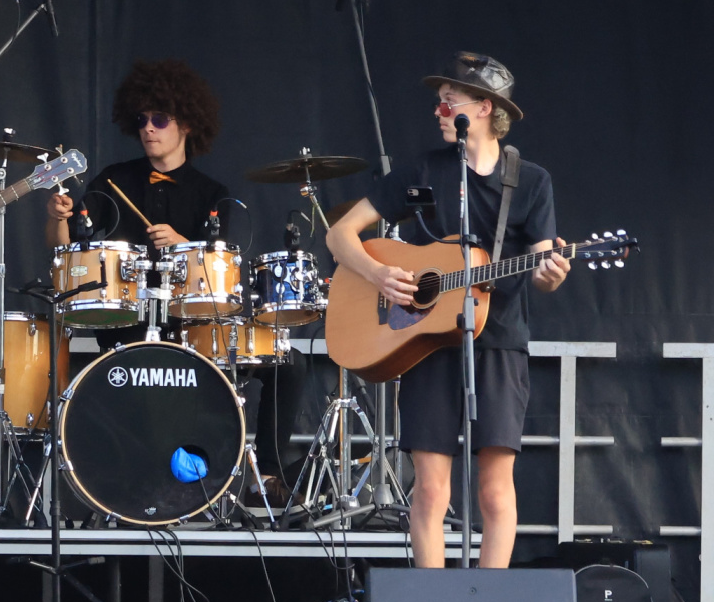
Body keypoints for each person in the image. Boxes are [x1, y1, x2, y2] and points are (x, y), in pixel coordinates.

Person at [326, 52, 569, 568]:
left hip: (499, 339)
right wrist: (378, 274)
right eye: (440, 101)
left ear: (483, 108)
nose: (438, 109)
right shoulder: (424, 168)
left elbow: (543, 265)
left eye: (449, 101)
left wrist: (551, 272)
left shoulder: (531, 181)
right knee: (432, 492)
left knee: (495, 492)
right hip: (426, 339)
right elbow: (339, 233)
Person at [46, 58, 306, 502]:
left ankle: (269, 475)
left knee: (292, 364)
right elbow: (68, 254)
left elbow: (221, 274)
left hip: (194, 328)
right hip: (127, 327)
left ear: (185, 123)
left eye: (160, 119)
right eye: (143, 119)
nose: (149, 128)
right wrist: (57, 220)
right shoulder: (113, 181)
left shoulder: (212, 194)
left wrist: (185, 243)